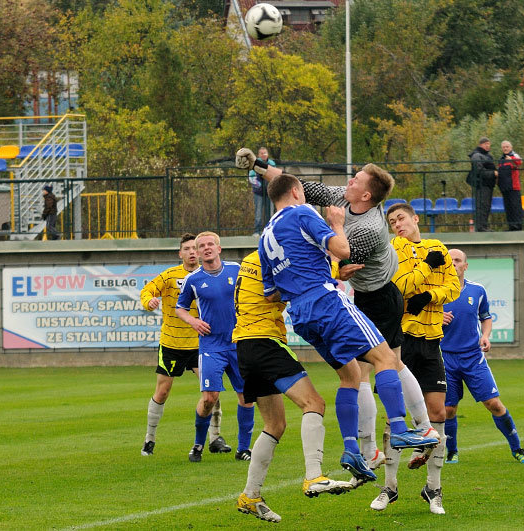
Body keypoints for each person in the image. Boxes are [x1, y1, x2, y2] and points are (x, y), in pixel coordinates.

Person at [237, 148, 437, 481]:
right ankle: (404, 430)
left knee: (352, 376)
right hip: (331, 300)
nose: (348, 178)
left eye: (356, 178)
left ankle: (355, 450)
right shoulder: (325, 208)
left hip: (363, 298)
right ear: (297, 195)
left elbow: (272, 290)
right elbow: (340, 251)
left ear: (366, 194)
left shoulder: (369, 228)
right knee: (388, 361)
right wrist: (261, 168)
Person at [234, 250, 351, 523]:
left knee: (275, 425)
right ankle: (314, 476)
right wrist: (332, 271)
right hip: (265, 342)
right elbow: (277, 292)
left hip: (245, 346)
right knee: (314, 404)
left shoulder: (254, 258)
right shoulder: (271, 258)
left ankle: (250, 496)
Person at [377, 203, 460, 514]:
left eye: (401, 219)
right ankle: (389, 487)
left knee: (438, 412)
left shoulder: (437, 246)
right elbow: (398, 285)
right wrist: (426, 269)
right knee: (392, 415)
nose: (398, 225)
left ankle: (433, 489)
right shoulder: (392, 248)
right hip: (400, 340)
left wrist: (430, 295)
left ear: (415, 219)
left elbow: (453, 285)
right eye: (392, 221)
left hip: (431, 340)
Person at [138, 233, 230, 458]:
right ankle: (150, 438)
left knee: (212, 391)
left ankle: (215, 437)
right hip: (172, 343)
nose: (191, 252)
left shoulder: (209, 274)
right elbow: (146, 291)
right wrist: (149, 302)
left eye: (194, 248)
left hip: (201, 345)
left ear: (199, 252)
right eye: (186, 249)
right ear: (181, 253)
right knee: (163, 391)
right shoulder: (170, 276)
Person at [441, 249, 524, 465]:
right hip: (445, 358)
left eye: (457, 261)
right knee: (448, 409)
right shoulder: (436, 292)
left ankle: (517, 448)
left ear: (465, 266)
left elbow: (486, 317)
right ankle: (452, 451)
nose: (453, 264)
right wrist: (436, 317)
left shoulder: (477, 290)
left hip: (473, 357)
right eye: (450, 260)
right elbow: (420, 317)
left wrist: (485, 335)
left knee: (494, 404)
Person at [176, 231, 255, 462]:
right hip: (211, 346)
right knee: (209, 398)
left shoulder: (236, 269)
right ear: (197, 252)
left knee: (246, 397)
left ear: (219, 249)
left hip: (238, 343)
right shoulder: (193, 279)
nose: (207, 248)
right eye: (202, 246)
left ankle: (243, 449)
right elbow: (180, 308)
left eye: (211, 244)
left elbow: (253, 294)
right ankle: (199, 444)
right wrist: (193, 321)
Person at [467, 137, 498, 232]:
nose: (488, 146)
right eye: (486, 144)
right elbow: (479, 171)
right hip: (481, 185)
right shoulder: (477, 156)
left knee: (486, 206)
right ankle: (481, 227)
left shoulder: (486, 155)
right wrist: (493, 174)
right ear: (481, 145)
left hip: (488, 185)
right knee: (482, 206)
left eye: (489, 144)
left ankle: (484, 226)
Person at [248, 147, 276, 236]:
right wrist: (258, 186)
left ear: (267, 154)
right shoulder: (255, 163)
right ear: (258, 155)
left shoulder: (272, 164)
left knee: (270, 212)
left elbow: (274, 176)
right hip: (258, 192)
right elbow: (251, 177)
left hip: (270, 191)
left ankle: (270, 231)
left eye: (265, 153)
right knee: (258, 212)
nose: (263, 155)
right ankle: (257, 231)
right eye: (261, 153)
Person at [498, 141, 523, 231]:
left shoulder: (514, 155)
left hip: (514, 186)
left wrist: (511, 160)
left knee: (515, 206)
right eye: (504, 147)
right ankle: (511, 226)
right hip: (505, 187)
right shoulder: (501, 159)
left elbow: (520, 162)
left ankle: (518, 226)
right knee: (508, 207)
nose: (505, 148)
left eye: (507, 147)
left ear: (511, 147)